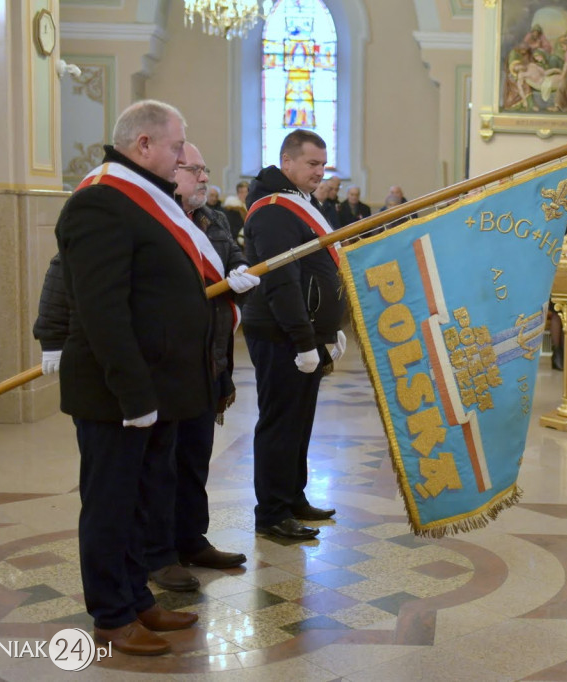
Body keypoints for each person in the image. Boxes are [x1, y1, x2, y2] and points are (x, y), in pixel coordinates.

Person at [54, 100, 248, 656]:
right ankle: (112, 616)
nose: (183, 155)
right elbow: (102, 310)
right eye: (176, 145)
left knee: (144, 503)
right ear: (143, 144)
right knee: (111, 506)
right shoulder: (101, 203)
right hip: (119, 394)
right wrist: (133, 393)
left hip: (157, 389)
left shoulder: (146, 203)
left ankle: (137, 598)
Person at [143, 143, 256, 592]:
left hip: (207, 360)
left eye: (207, 169)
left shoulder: (214, 220)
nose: (205, 177)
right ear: (172, 173)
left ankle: (191, 539)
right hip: (163, 362)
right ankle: (158, 553)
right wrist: (50, 336)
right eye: (195, 169)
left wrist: (243, 272)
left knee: (194, 458)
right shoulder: (150, 218)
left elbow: (232, 263)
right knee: (160, 464)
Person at [242, 129, 347, 540]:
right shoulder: (272, 210)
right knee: (280, 422)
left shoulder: (305, 202)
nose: (319, 172)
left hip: (303, 333)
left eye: (323, 164)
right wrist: (304, 340)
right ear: (287, 163)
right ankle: (271, 513)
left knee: (300, 420)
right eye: (311, 164)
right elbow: (282, 281)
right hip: (279, 333)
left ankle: (293, 497)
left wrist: (328, 329)